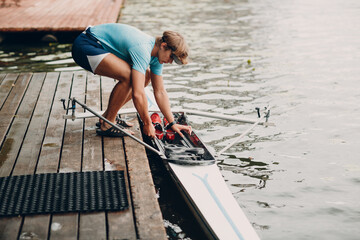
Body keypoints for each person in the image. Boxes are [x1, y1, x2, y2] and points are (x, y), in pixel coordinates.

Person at [72, 23, 192, 138]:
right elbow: (138, 93)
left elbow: (160, 91)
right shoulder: (143, 49)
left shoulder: (157, 57)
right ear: (164, 46)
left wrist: (172, 123)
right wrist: (147, 123)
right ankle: (108, 123)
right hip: (85, 45)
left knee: (145, 76)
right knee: (130, 78)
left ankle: (108, 117)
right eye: (172, 57)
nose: (171, 61)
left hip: (96, 45)